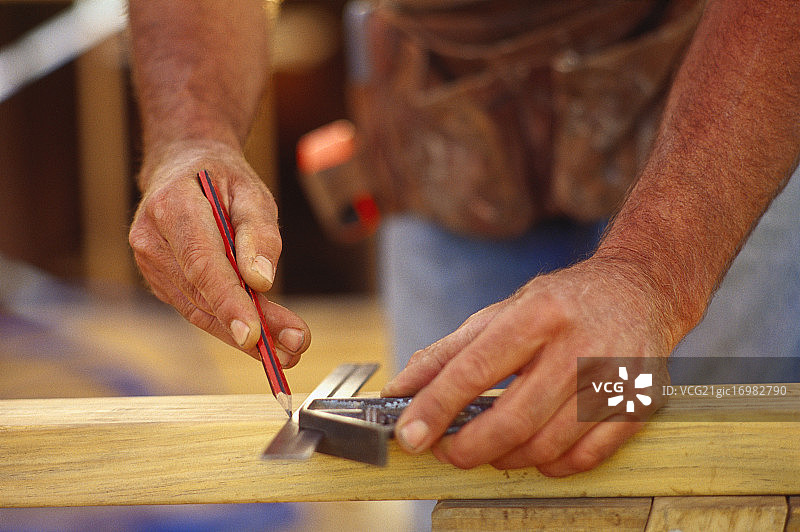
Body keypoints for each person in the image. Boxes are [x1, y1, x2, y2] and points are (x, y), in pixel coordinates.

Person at [128, 0, 800, 477]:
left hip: (721, 85)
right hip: (443, 93)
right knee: (454, 462)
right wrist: (193, 132)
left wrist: (653, 276)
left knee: (696, 454)